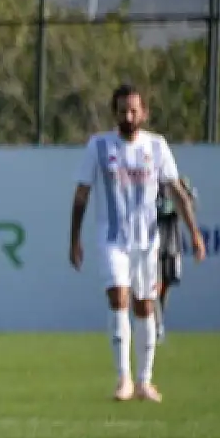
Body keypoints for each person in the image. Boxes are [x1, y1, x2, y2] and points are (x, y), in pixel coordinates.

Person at [70, 84, 204, 402]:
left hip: (146, 241)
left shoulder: (156, 147)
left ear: (144, 113)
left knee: (145, 306)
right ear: (114, 113)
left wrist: (194, 232)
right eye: (122, 111)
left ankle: (145, 381)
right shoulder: (99, 147)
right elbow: (81, 194)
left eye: (134, 110)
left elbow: (176, 192)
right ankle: (124, 380)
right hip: (112, 239)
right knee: (118, 297)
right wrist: (74, 238)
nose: (128, 116)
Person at [154, 173, 198, 341]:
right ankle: (157, 326)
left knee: (166, 285)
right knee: (155, 286)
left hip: (172, 243)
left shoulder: (177, 184)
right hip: (153, 244)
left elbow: (190, 206)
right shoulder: (151, 185)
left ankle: (158, 320)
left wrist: (186, 196)